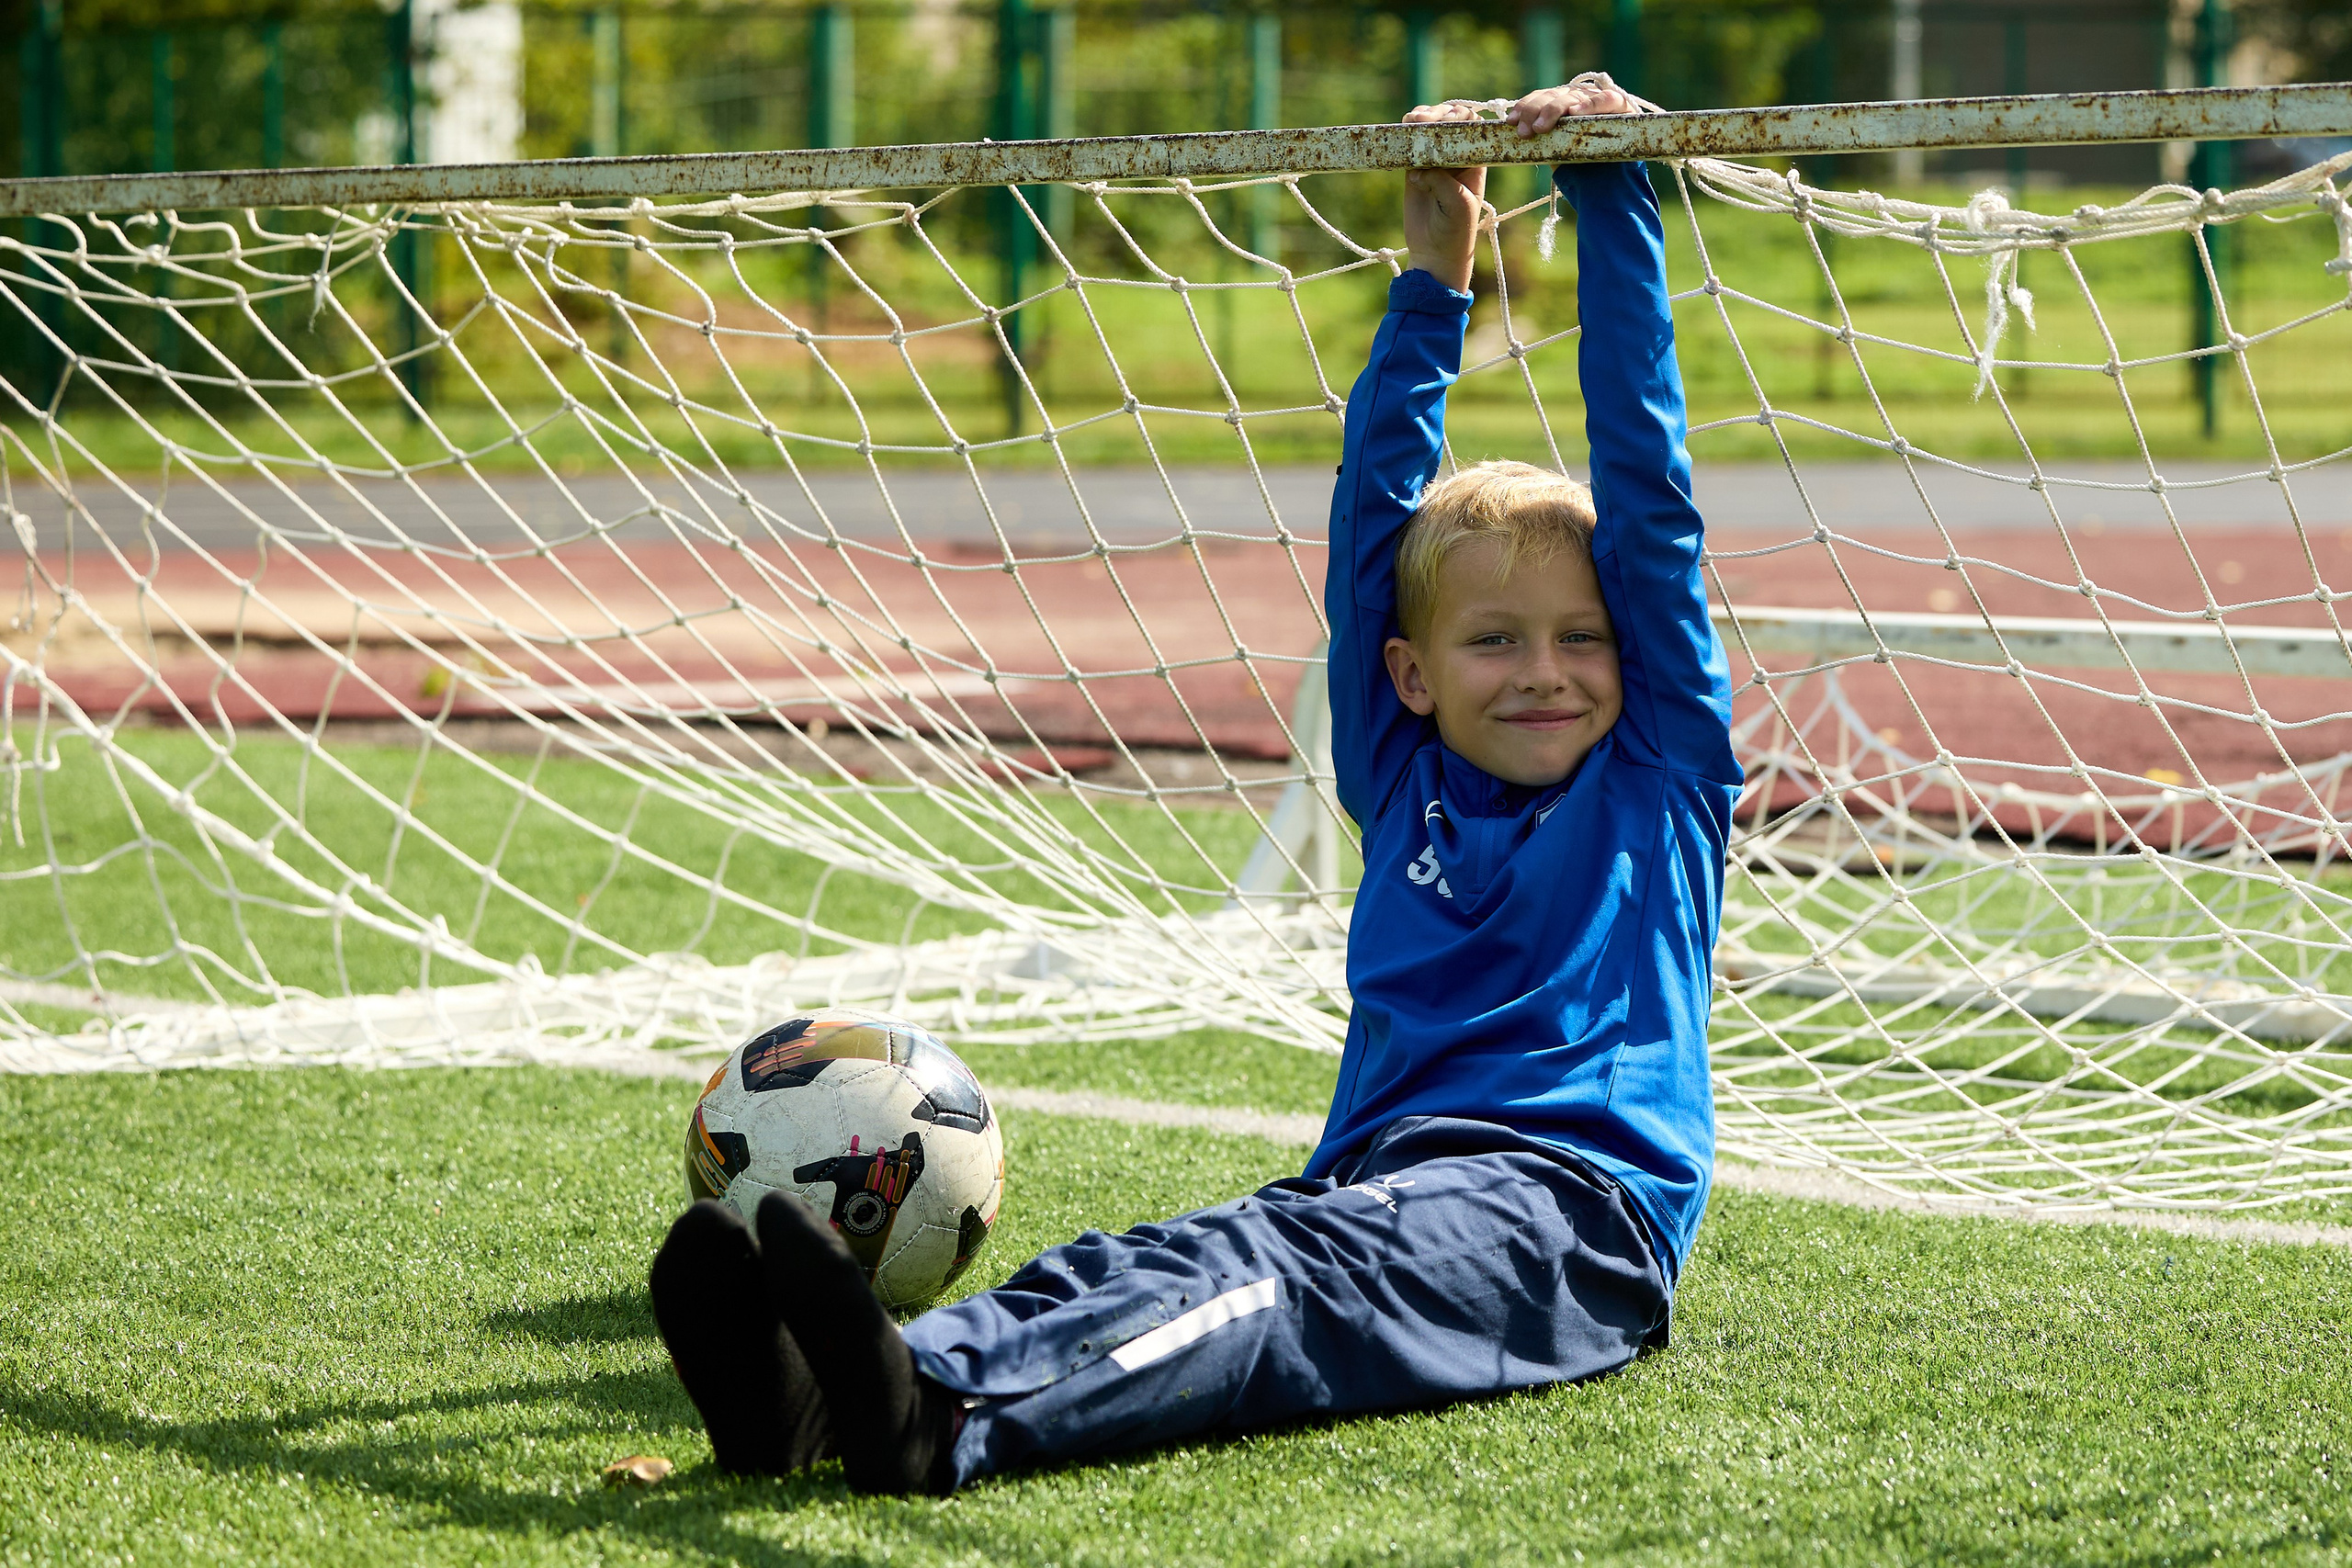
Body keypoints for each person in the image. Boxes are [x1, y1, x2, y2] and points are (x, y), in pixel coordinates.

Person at [645, 74, 1743, 1496]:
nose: (1548, 671)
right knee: (1158, 1257)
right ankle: (814, 1405)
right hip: (1374, 1178)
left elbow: (1650, 503)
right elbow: (1372, 533)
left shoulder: (1655, 777)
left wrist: (1611, 189)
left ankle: (944, 1425)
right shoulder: (1402, 768)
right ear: (1411, 676)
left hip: (1566, 1218)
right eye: (1496, 641)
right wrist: (1435, 268)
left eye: (1582, 637)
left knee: (1265, 1280)